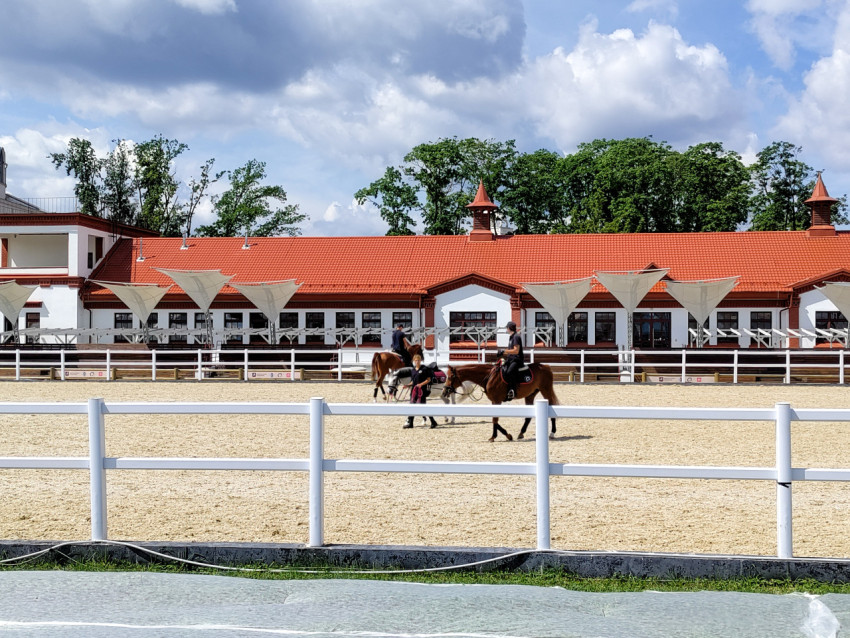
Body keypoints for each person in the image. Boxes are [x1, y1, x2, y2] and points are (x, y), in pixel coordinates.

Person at [403, 354, 439, 429]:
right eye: (416, 360)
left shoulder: (424, 369)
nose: (417, 362)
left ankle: (433, 421)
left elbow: (428, 379)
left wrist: (421, 384)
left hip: (422, 391)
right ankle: (411, 423)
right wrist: (407, 385)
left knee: (423, 406)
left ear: (421, 361)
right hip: (414, 391)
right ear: (414, 361)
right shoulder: (413, 370)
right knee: (412, 406)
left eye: (418, 360)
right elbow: (413, 381)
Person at [501, 320, 524, 401]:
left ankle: (512, 390)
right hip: (511, 359)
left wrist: (504, 351)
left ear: (509, 328)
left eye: (507, 328)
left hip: (517, 360)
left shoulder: (516, 337)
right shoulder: (511, 337)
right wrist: (502, 353)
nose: (506, 329)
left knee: (510, 371)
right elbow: (510, 350)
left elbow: (516, 351)